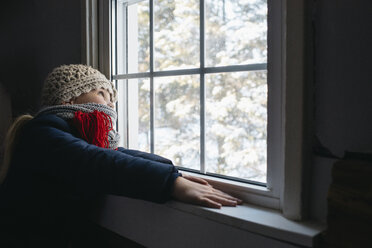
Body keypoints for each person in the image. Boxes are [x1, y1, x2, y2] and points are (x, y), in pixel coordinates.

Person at [0, 64, 241, 247]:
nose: (111, 104)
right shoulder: (42, 134)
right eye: (102, 94)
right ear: (70, 98)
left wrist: (175, 173)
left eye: (113, 98)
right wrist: (170, 183)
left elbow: (116, 154)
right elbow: (97, 161)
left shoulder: (72, 138)